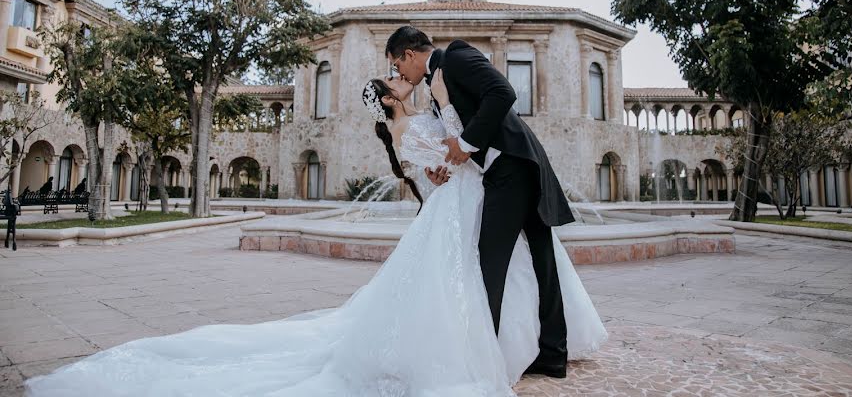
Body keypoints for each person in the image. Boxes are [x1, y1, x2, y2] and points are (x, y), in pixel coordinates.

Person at [26, 73, 605, 397]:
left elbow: (444, 158)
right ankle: (497, 353)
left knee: (508, 268)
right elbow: (439, 161)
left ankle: (525, 348)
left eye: (399, 77)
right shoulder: (405, 124)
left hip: (477, 193)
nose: (402, 83)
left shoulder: (427, 106)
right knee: (483, 276)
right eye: (394, 84)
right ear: (387, 100)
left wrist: (448, 160)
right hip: (468, 197)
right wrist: (447, 160)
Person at [385, 26, 578, 378]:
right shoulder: (435, 85)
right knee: (541, 262)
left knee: (488, 263)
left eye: (397, 66)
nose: (398, 74)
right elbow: (455, 132)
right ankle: (553, 353)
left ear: (409, 54)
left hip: (513, 168)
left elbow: (502, 92)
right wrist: (442, 165)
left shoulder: (455, 56)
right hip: (512, 168)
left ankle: (480, 364)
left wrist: (468, 143)